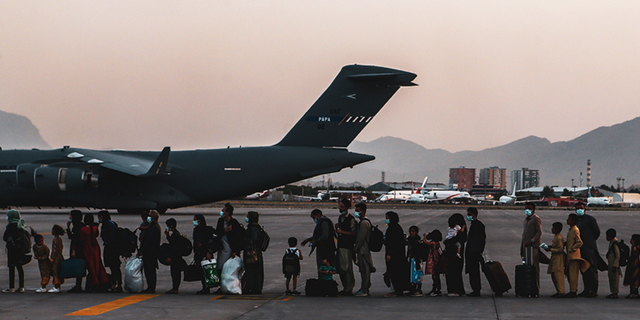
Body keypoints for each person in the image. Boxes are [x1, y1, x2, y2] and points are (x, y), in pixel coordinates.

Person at [215, 203, 244, 291]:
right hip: (222, 248)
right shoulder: (220, 221)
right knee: (220, 267)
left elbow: (237, 238)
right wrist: (224, 230)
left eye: (223, 210)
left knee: (229, 269)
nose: (222, 212)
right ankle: (222, 286)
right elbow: (217, 233)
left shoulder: (234, 223)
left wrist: (235, 250)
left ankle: (230, 286)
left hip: (230, 249)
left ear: (228, 213)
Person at [574, 202, 601, 297]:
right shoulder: (577, 220)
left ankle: (594, 290)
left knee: (592, 269)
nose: (579, 210)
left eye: (581, 208)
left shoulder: (590, 219)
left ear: (585, 209)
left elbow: (596, 232)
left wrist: (590, 241)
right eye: (577, 208)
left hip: (589, 247)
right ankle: (587, 289)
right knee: (584, 269)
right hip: (580, 248)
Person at [80, 212, 110, 292]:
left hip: (87, 248)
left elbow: (81, 239)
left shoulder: (83, 229)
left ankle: (93, 283)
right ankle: (102, 281)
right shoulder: (95, 228)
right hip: (95, 247)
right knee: (97, 265)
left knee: (91, 266)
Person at [3, 209, 30, 293]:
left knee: (12, 267)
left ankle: (12, 287)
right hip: (20, 249)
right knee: (19, 267)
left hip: (12, 250)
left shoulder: (11, 226)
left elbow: (5, 237)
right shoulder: (21, 225)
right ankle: (21, 287)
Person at [384, 211, 409, 297]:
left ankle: (396, 290)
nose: (386, 220)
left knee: (394, 272)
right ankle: (397, 289)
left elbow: (394, 243)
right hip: (397, 255)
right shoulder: (396, 227)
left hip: (395, 256)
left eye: (388, 218)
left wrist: (390, 254)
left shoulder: (394, 228)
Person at [334, 198, 356, 295]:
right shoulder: (341, 218)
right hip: (341, 245)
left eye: (342, 207)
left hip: (347, 246)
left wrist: (341, 231)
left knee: (346, 268)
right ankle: (345, 287)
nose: (340, 208)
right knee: (341, 268)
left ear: (346, 208)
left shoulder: (351, 219)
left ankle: (349, 288)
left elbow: (354, 233)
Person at [565, 213, 590, 298]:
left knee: (573, 275)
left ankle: (573, 291)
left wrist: (572, 249)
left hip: (574, 256)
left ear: (573, 221)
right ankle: (572, 290)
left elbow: (579, 242)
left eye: (569, 219)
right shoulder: (570, 230)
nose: (567, 220)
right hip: (570, 256)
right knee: (569, 274)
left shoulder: (575, 230)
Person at [97, 210, 122, 293]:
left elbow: (108, 237)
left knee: (113, 267)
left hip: (111, 247)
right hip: (116, 247)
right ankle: (119, 284)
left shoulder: (106, 224)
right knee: (116, 267)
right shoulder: (112, 223)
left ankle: (114, 285)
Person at [353, 202, 375, 297]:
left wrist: (356, 248)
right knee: (364, 270)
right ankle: (364, 288)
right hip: (363, 249)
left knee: (365, 270)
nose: (356, 213)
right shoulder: (363, 222)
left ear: (363, 211)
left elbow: (361, 238)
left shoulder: (364, 223)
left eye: (357, 211)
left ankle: (364, 289)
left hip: (363, 250)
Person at [520, 202, 542, 295]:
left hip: (532, 248)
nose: (527, 210)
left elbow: (539, 232)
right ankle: (528, 288)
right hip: (526, 248)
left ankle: (535, 289)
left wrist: (532, 241)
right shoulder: (526, 220)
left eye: (529, 208)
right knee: (527, 269)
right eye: (526, 208)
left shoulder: (535, 219)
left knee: (534, 269)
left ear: (533, 209)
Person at [137, 210, 161, 293]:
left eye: (150, 216)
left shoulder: (154, 228)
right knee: (148, 270)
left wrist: (142, 250)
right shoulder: (153, 226)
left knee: (150, 270)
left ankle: (151, 287)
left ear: (153, 218)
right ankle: (150, 287)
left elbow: (149, 241)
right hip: (150, 252)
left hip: (151, 252)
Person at [444, 213, 467, 297]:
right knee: (456, 273)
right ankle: (458, 290)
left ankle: (454, 290)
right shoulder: (461, 231)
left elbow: (452, 240)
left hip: (454, 255)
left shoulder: (458, 233)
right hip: (458, 254)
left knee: (453, 272)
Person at [465, 207, 486, 297]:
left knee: (474, 272)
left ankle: (476, 289)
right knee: (472, 271)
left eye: (469, 214)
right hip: (472, 251)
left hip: (474, 252)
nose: (468, 216)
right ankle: (475, 289)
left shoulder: (478, 225)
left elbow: (482, 239)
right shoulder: (474, 224)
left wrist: (479, 250)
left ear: (474, 215)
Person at [193, 214, 215, 294]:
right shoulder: (196, 230)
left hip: (205, 253)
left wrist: (208, 253)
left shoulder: (206, 230)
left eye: (195, 220)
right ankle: (204, 287)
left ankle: (207, 287)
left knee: (206, 271)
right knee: (201, 271)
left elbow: (210, 242)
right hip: (199, 254)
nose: (194, 221)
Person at [243, 211, 264, 294]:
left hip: (253, 253)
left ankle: (254, 288)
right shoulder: (252, 227)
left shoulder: (254, 228)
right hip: (252, 252)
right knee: (251, 271)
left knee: (253, 271)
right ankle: (251, 287)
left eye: (248, 216)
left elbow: (254, 239)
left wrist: (244, 239)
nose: (246, 217)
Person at [165, 218, 187, 294]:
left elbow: (173, 247)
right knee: (175, 273)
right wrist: (168, 236)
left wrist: (170, 257)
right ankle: (175, 288)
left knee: (175, 273)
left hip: (175, 257)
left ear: (171, 226)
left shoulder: (175, 235)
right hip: (177, 257)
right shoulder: (176, 234)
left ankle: (175, 288)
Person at [543, 222, 565, 298]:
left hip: (558, 258)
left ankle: (561, 291)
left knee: (558, 275)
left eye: (553, 228)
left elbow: (560, 249)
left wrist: (551, 249)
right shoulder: (556, 237)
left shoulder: (559, 238)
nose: (552, 229)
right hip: (554, 257)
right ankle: (558, 291)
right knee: (554, 274)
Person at [66, 210, 85, 293]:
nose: (70, 218)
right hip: (82, 248)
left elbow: (73, 238)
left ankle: (78, 285)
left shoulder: (76, 227)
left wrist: (68, 228)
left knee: (78, 267)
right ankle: (79, 285)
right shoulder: (82, 225)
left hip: (77, 249)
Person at [423, 229, 443, 296]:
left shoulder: (433, 243)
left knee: (435, 276)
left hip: (434, 260)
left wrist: (425, 236)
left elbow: (425, 242)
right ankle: (436, 289)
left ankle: (436, 289)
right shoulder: (437, 243)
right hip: (436, 259)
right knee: (436, 276)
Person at [407, 225, 424, 296]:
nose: (411, 233)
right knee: (412, 275)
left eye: (413, 231)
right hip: (411, 259)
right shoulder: (409, 240)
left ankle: (418, 289)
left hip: (417, 259)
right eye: (410, 231)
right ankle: (412, 289)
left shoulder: (418, 241)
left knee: (418, 275)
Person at [605, 228, 622, 299]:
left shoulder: (615, 244)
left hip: (613, 264)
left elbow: (618, 255)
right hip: (611, 263)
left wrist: (615, 265)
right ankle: (613, 292)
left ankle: (615, 293)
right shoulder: (612, 242)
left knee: (614, 279)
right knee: (611, 278)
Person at [623, 234, 640, 298]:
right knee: (631, 278)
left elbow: (634, 250)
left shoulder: (637, 247)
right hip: (632, 265)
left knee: (635, 278)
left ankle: (635, 292)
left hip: (636, 265)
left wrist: (633, 244)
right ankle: (632, 292)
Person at [49, 225, 65, 293]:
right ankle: (59, 285)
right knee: (59, 271)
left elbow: (54, 250)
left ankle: (56, 286)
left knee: (55, 271)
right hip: (60, 256)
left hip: (56, 258)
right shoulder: (59, 239)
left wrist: (52, 259)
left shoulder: (55, 240)